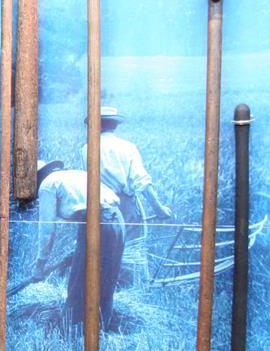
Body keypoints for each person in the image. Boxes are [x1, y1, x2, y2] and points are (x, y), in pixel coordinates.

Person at [32, 160, 125, 328]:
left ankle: (70, 333)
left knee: (78, 284)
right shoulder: (76, 175)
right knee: (106, 281)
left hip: (98, 223)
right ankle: (100, 331)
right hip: (117, 220)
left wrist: (40, 264)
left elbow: (47, 229)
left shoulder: (47, 185)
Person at [80, 106, 171, 264]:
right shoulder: (127, 147)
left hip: (98, 207)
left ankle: (104, 286)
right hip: (125, 206)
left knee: (101, 253)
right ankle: (127, 287)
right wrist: (159, 209)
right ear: (115, 125)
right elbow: (141, 181)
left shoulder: (86, 148)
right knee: (130, 253)